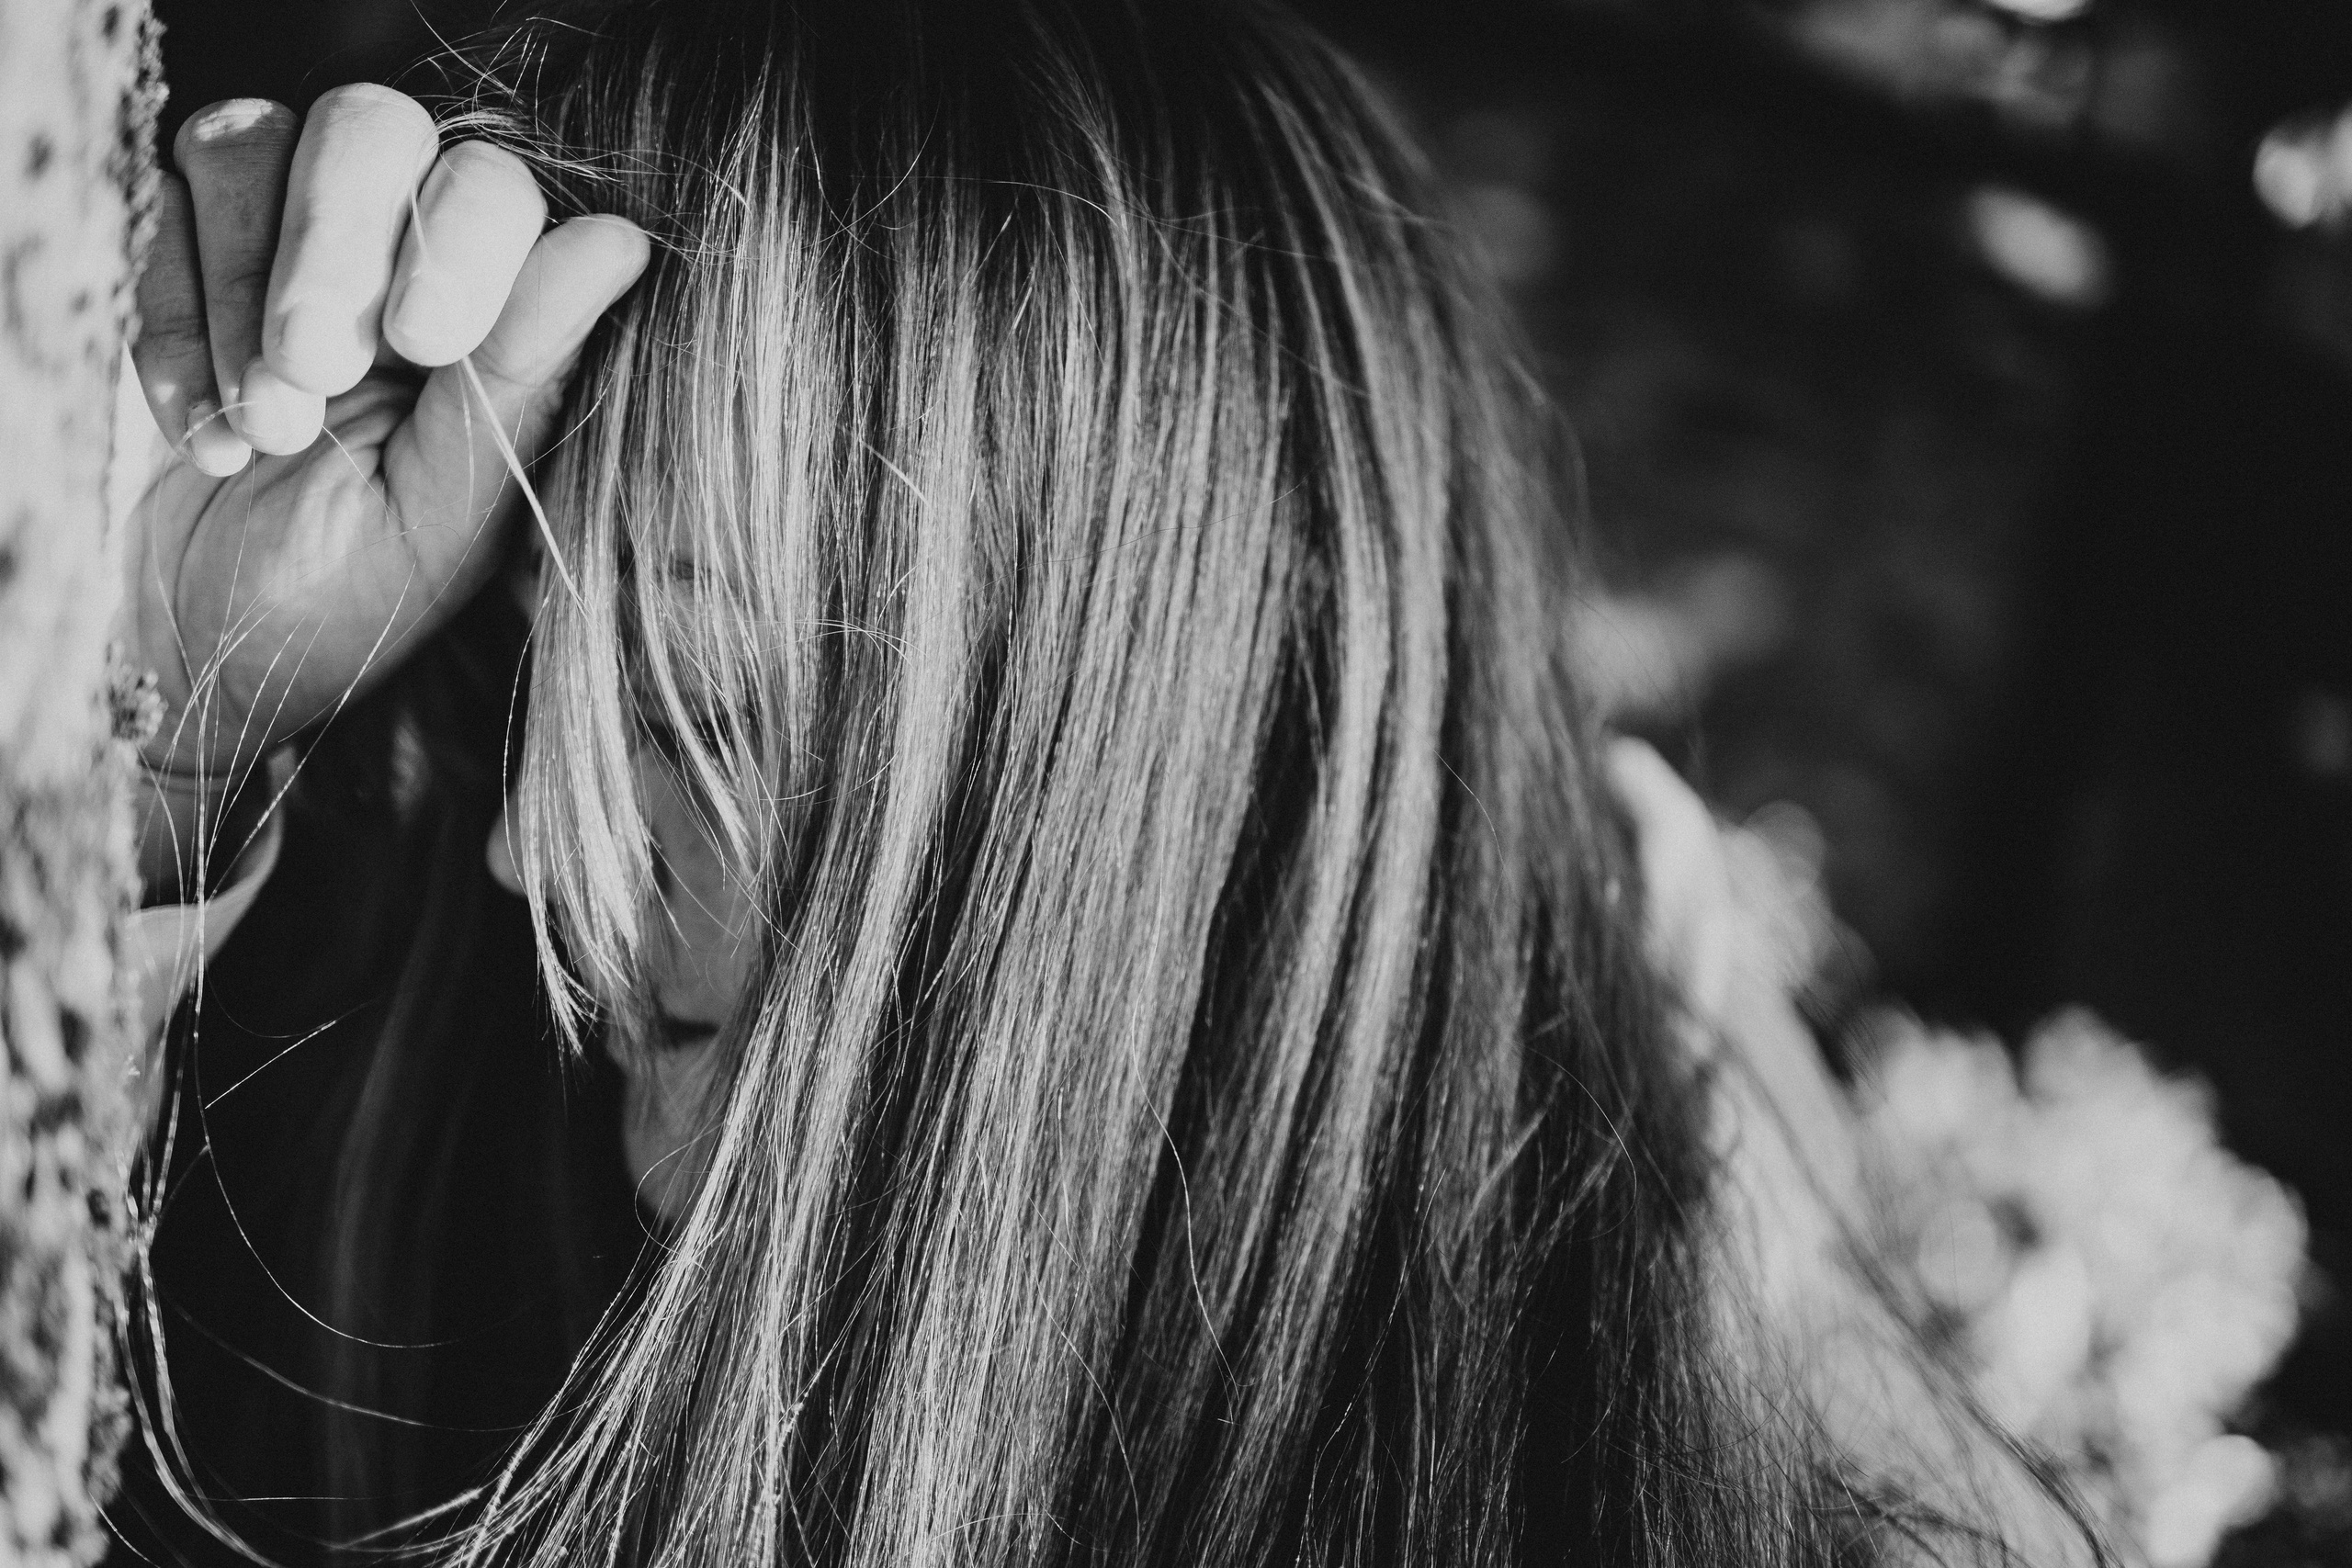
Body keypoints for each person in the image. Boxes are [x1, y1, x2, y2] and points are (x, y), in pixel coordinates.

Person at [105, 1, 2109, 1563]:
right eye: (534, 677)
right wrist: (156, 724)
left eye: (695, 702)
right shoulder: (413, 1207)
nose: (529, 851)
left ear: (1137, 745)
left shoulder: (1662, 1403)